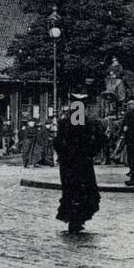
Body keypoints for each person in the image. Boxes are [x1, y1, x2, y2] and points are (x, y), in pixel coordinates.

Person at [54, 98, 101, 234]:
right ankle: (77, 221)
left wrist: (63, 156)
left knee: (72, 191)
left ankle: (74, 220)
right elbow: (99, 140)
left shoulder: (64, 124)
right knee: (84, 192)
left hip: (68, 165)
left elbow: (57, 143)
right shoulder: (88, 124)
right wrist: (90, 152)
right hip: (82, 163)